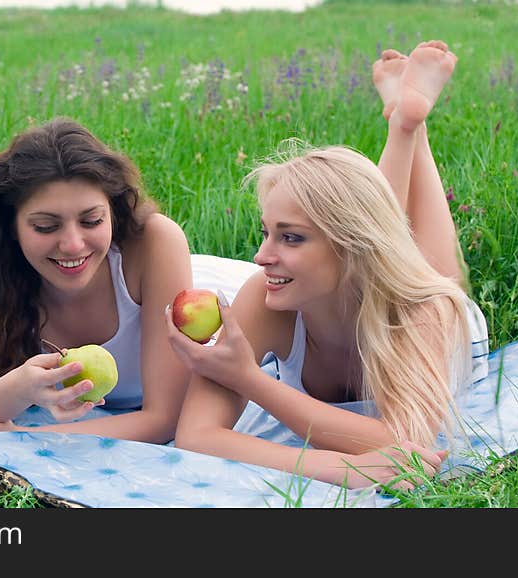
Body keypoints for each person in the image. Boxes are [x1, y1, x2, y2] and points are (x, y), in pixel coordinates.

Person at [164, 41, 489, 490]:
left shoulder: (423, 312)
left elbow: (406, 441)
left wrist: (248, 380)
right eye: (267, 232)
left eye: (290, 237)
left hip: (434, 317)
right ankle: (405, 123)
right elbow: (196, 435)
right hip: (367, 261)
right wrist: (339, 468)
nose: (260, 257)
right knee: (375, 229)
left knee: (438, 275)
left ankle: (411, 127)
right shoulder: (265, 295)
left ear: (351, 247)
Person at [0, 118, 193, 443]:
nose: (73, 244)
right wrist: (16, 389)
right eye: (46, 226)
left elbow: (165, 420)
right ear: (11, 228)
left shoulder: (155, 243)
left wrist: (24, 437)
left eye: (92, 220)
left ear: (113, 214)